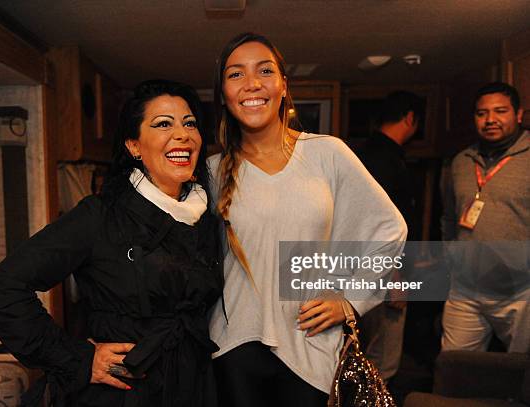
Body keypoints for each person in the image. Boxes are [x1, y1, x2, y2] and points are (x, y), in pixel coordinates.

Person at [0, 80, 223, 407]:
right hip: (122, 392)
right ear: (134, 146)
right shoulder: (101, 215)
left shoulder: (206, 217)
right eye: (163, 124)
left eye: (189, 123)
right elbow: (1, 291)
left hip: (192, 386)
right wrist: (78, 359)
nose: (182, 134)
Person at [207, 32, 407, 407]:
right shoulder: (211, 171)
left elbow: (388, 229)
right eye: (235, 74)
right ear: (223, 94)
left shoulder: (327, 153)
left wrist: (351, 299)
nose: (252, 83)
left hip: (311, 342)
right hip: (234, 345)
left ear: (283, 84)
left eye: (264, 70)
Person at [440, 81, 529, 353]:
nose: (490, 120)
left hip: (521, 291)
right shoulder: (460, 162)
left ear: (519, 114)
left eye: (500, 111)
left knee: (522, 372)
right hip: (466, 289)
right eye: (482, 113)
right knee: (454, 366)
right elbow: (449, 218)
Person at [356, 90, 422, 382]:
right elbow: (371, 222)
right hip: (381, 272)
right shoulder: (384, 160)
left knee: (370, 355)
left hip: (366, 269)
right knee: (382, 360)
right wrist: (394, 276)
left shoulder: (367, 153)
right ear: (410, 118)